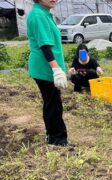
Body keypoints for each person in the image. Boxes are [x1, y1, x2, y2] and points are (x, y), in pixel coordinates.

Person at [27, 0, 73, 147]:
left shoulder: (44, 13)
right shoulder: (38, 15)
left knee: (51, 102)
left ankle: (53, 137)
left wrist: (60, 65)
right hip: (45, 68)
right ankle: (57, 140)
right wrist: (55, 69)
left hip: (47, 67)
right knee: (53, 104)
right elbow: (45, 45)